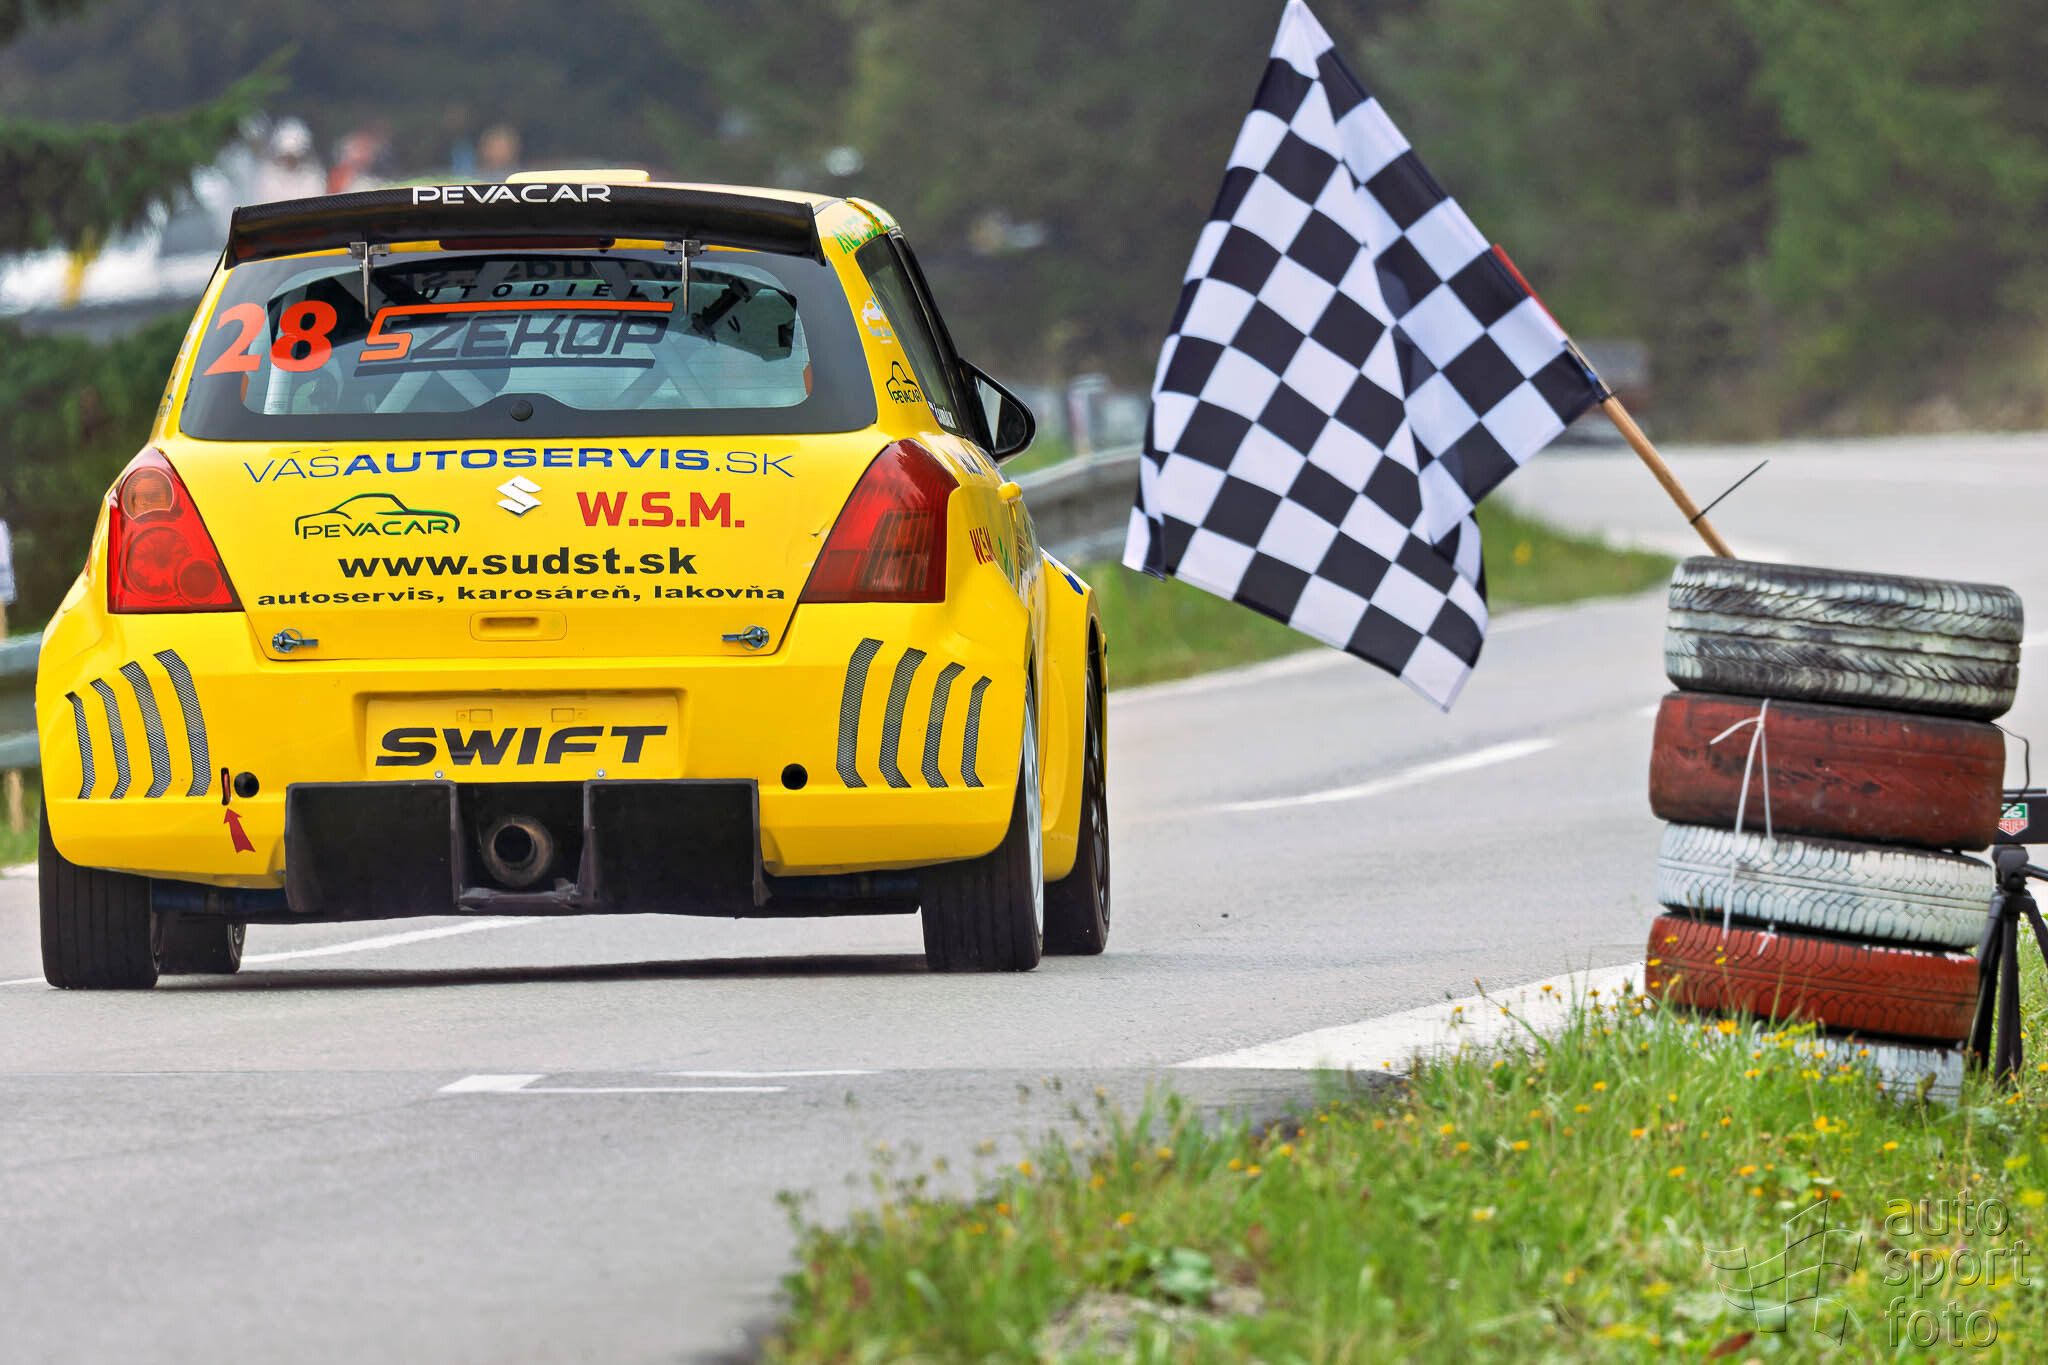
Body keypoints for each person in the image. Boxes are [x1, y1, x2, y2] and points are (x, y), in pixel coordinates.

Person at [251, 118, 326, 203]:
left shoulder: (313, 177)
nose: (290, 161)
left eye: (294, 157)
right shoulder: (268, 176)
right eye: (287, 156)